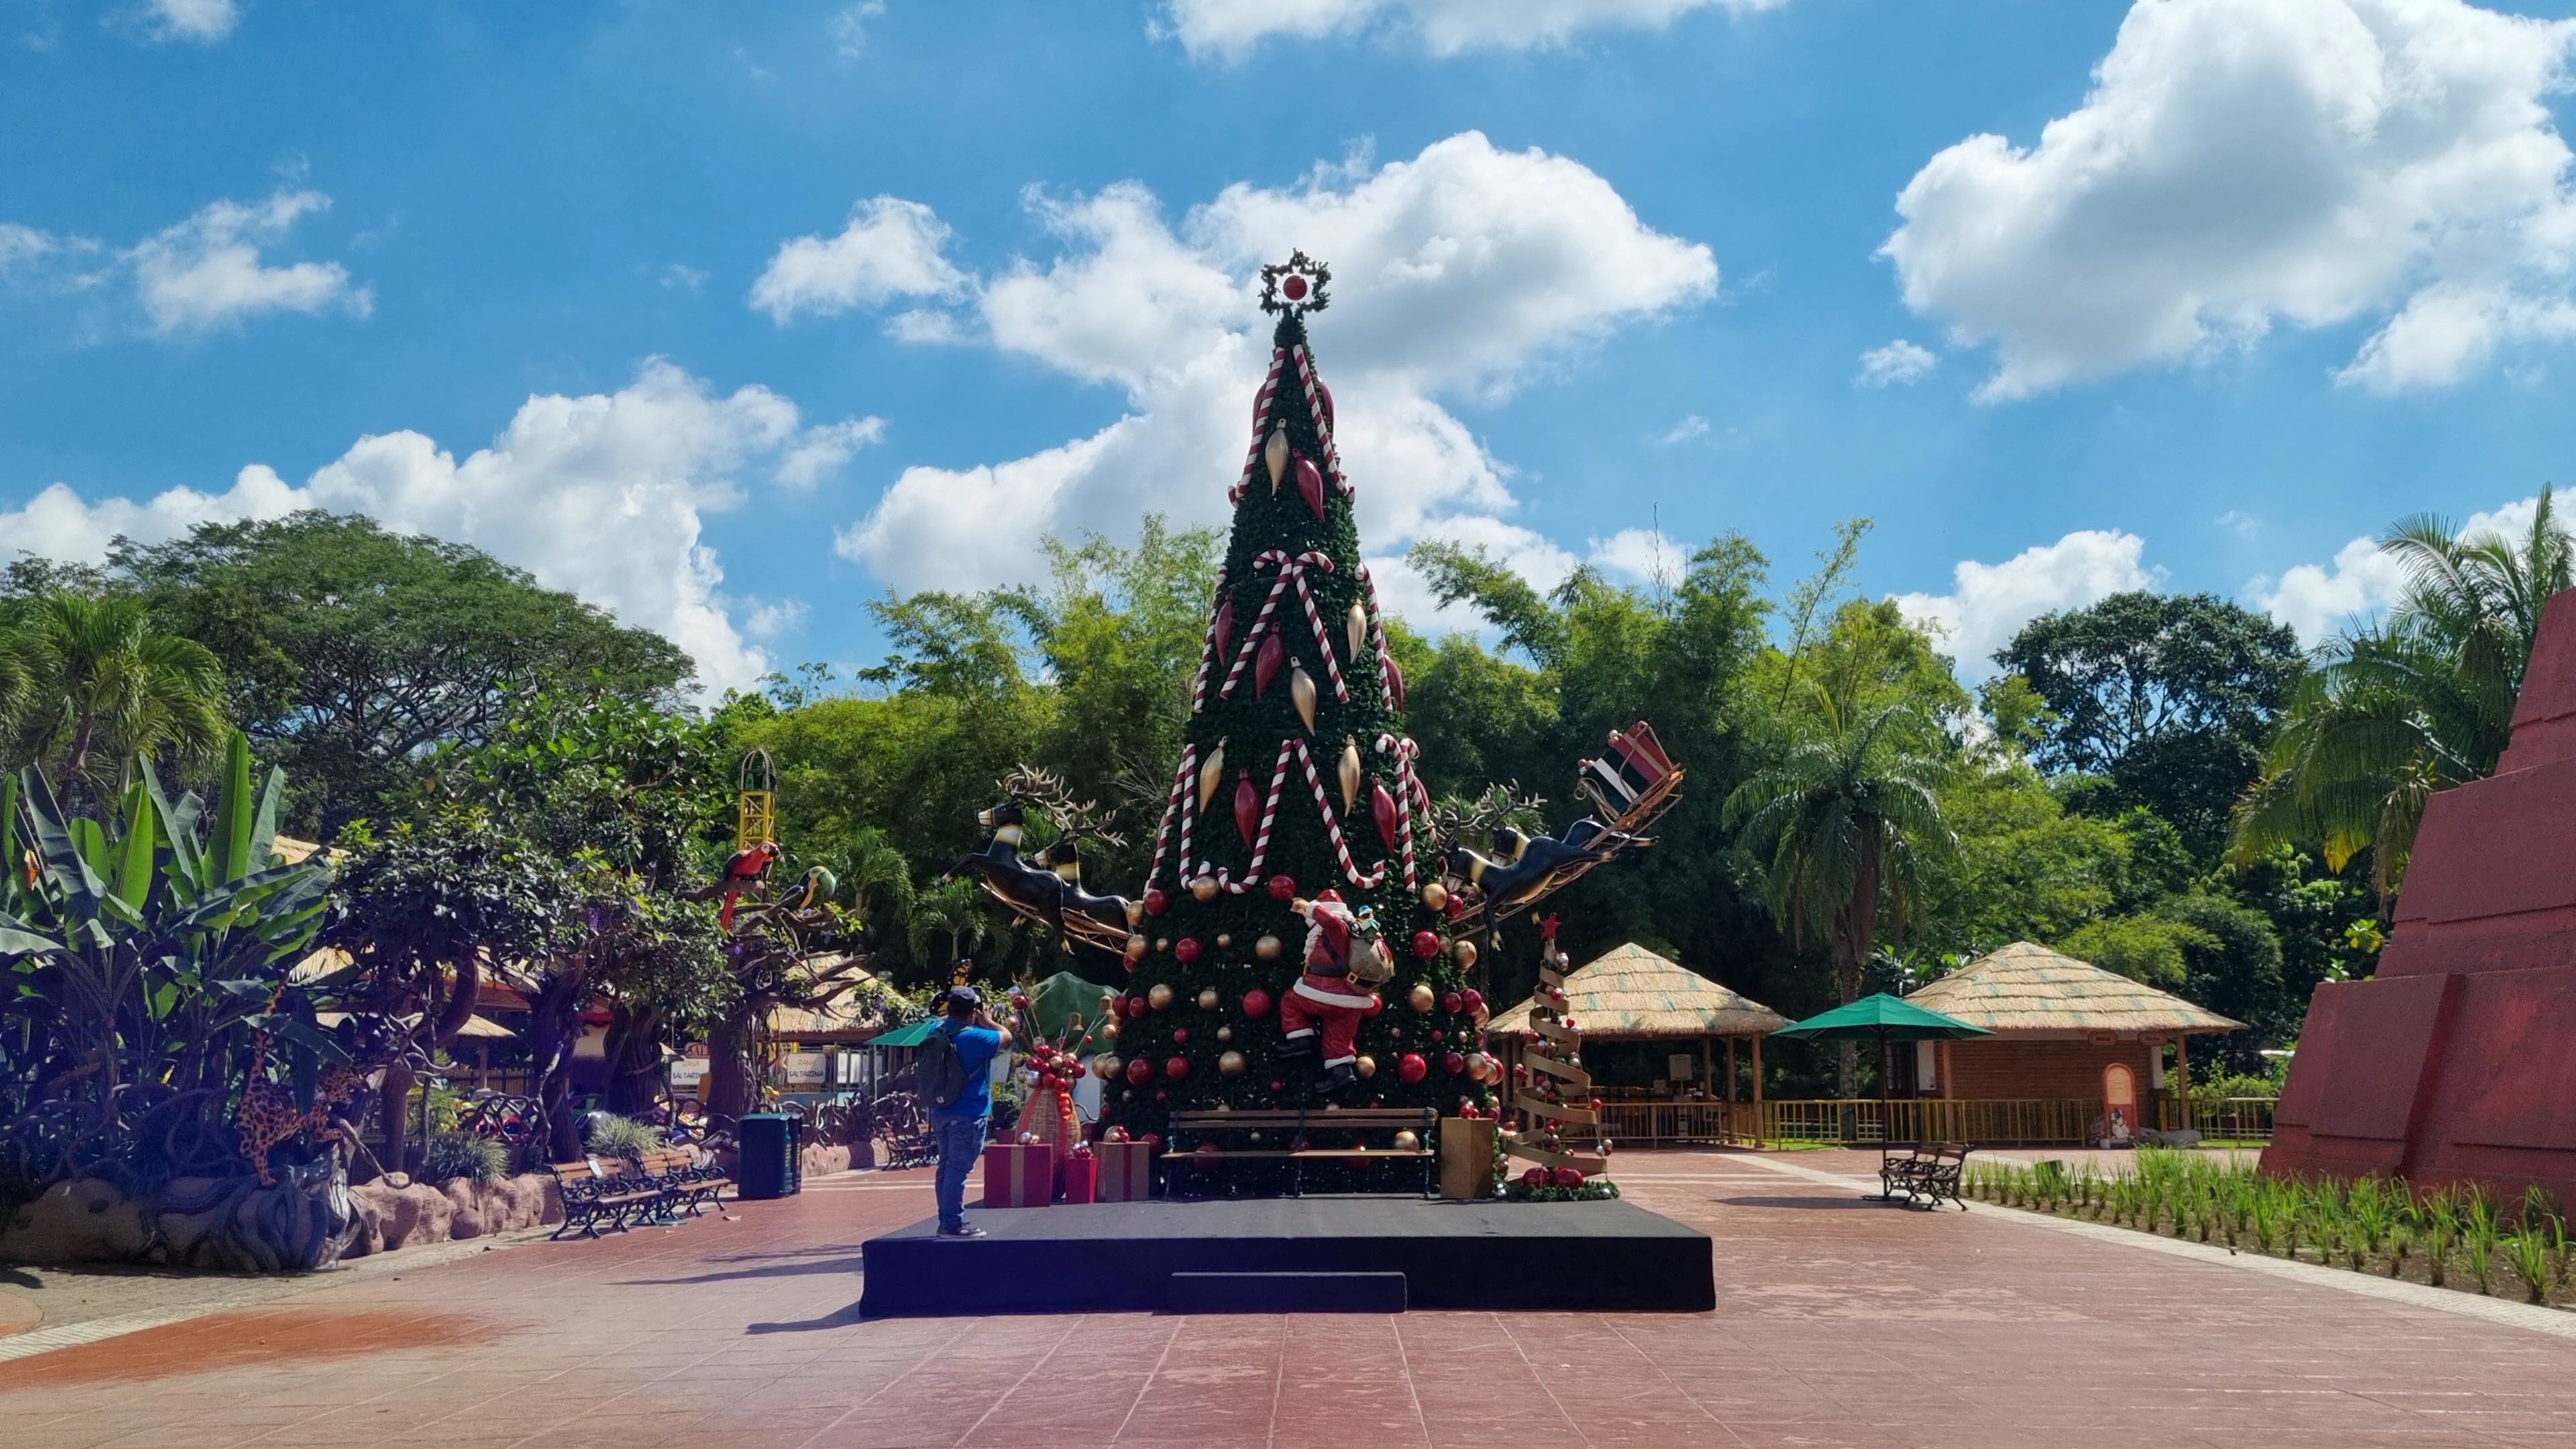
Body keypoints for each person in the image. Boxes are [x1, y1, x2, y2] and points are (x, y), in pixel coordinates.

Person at [928, 983, 1009, 1239]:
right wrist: (988, 1020)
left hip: (940, 1110)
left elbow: (943, 1020)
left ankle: (946, 1220)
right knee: (958, 1169)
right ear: (973, 1010)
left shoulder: (935, 1031)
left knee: (946, 1166)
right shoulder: (977, 1037)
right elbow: (1006, 1035)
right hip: (969, 1113)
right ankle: (952, 1224)